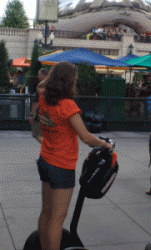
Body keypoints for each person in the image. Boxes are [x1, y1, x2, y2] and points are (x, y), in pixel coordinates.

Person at [36, 61, 112, 250]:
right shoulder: (67, 106)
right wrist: (104, 144)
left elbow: (40, 85)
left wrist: (51, 80)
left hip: (45, 160)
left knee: (46, 212)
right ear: (68, 82)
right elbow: (86, 137)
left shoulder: (44, 97)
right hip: (61, 166)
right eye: (74, 79)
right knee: (57, 218)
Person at [29, 68, 50, 144]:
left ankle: (48, 147)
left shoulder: (41, 86)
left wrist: (31, 114)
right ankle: (49, 147)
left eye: (39, 74)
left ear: (44, 75)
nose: (38, 76)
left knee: (36, 132)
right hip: (51, 113)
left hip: (42, 113)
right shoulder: (52, 85)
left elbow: (36, 102)